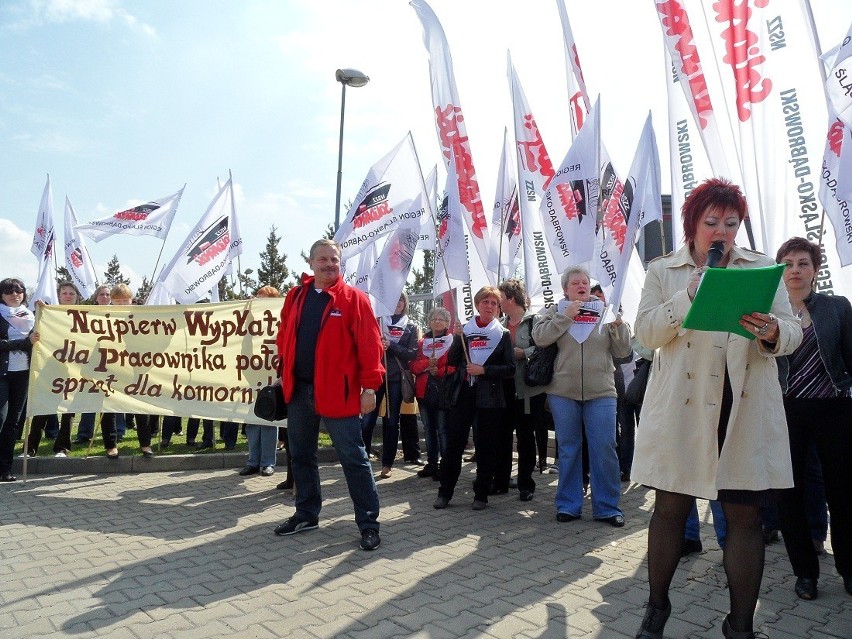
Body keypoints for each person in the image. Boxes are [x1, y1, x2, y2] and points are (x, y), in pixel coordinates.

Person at [631, 178, 802, 639]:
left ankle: (741, 625)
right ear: (693, 226)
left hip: (742, 406)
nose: (721, 231)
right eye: (711, 222)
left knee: (745, 515)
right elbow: (645, 335)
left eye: (731, 222)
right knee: (670, 506)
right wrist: (686, 297)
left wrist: (770, 333)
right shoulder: (662, 270)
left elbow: (792, 329)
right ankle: (657, 606)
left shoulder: (763, 268)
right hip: (684, 410)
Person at [273, 239, 384, 551]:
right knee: (301, 454)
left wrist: (369, 388)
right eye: (322, 259)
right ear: (310, 263)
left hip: (341, 394)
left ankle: (368, 523)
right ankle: (307, 513)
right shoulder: (295, 296)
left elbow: (370, 346)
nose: (329, 265)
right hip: (299, 392)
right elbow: (285, 334)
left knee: (354, 458)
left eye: (334, 260)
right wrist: (283, 367)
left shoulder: (354, 299)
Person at [774, 237, 852, 600]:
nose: (795, 270)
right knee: (790, 496)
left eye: (803, 263)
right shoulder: (767, 313)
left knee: (843, 494)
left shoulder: (837, 308)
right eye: (788, 264)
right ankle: (805, 573)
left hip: (834, 410)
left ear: (815, 270)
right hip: (786, 412)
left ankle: (849, 569)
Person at [532, 267, 631, 527]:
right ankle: (568, 505)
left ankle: (607, 507)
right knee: (568, 449)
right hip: (563, 392)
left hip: (602, 392)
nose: (581, 285)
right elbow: (540, 338)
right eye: (575, 282)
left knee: (605, 448)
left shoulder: (604, 311)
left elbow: (622, 350)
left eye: (585, 282)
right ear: (566, 289)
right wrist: (565, 317)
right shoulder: (555, 310)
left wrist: (618, 324)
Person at [433, 286, 515, 511]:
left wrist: (484, 370)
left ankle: (481, 494)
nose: (489, 306)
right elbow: (451, 360)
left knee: (487, 445)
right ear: (477, 305)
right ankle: (445, 493)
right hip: (463, 395)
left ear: (499, 309)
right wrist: (458, 337)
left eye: (494, 303)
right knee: (454, 445)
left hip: (490, 398)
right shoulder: (465, 330)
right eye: (485, 302)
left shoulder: (503, 334)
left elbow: (510, 368)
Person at [495, 278, 544, 501]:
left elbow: (547, 347)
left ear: (511, 299)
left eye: (501, 298)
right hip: (505, 389)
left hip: (528, 391)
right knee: (502, 436)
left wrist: (524, 353)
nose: (498, 302)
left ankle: (526, 484)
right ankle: (502, 481)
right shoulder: (499, 324)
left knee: (525, 437)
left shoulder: (536, 321)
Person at [361, 292, 418, 478]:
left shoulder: (410, 326)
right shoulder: (377, 322)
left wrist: (391, 345)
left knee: (392, 421)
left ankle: (387, 463)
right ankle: (362, 460)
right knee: (367, 420)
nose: (398, 303)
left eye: (401, 300)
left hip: (396, 379)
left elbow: (411, 354)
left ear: (405, 303)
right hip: (376, 376)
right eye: (394, 299)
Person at [26, 281, 80, 457]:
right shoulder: (49, 314)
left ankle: (62, 447)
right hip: (49, 366)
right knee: (43, 406)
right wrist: (40, 310)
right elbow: (34, 332)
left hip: (73, 367)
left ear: (77, 297)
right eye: (64, 293)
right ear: (59, 295)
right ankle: (30, 447)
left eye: (71, 293)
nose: (68, 296)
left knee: (68, 410)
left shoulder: (84, 316)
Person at [239, 285, 284, 479]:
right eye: (257, 297)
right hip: (252, 376)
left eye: (263, 298)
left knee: (267, 421)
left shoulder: (280, 318)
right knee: (251, 422)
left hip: (270, 377)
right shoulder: (249, 321)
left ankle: (267, 463)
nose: (258, 301)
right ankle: (252, 462)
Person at [1, 278, 40, 481]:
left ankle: (5, 469)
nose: (15, 295)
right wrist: (25, 342)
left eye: (19, 291)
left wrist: (45, 313)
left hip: (23, 374)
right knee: (1, 418)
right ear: (1, 295)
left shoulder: (31, 316)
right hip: (2, 374)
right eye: (9, 292)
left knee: (13, 423)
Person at [409, 307, 455, 479]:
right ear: (429, 322)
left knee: (443, 429)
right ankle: (432, 464)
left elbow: (455, 367)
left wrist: (440, 371)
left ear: (447, 323)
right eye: (434, 318)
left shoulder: (452, 342)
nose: (437, 321)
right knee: (429, 429)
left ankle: (446, 465)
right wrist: (428, 363)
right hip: (423, 392)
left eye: (441, 319)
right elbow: (413, 366)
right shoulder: (422, 343)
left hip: (443, 392)